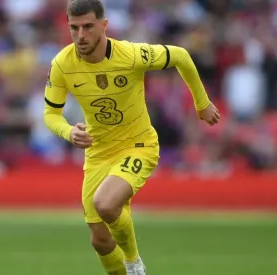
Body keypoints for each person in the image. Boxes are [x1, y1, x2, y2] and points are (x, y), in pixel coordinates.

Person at [43, 0, 220, 274]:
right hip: (99, 152)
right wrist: (69, 131)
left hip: (138, 145)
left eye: (88, 26)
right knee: (100, 241)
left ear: (104, 25)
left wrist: (202, 103)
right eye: (74, 28)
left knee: (106, 203)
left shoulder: (132, 55)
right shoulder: (62, 64)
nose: (81, 35)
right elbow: (50, 114)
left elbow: (182, 56)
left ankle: (134, 262)